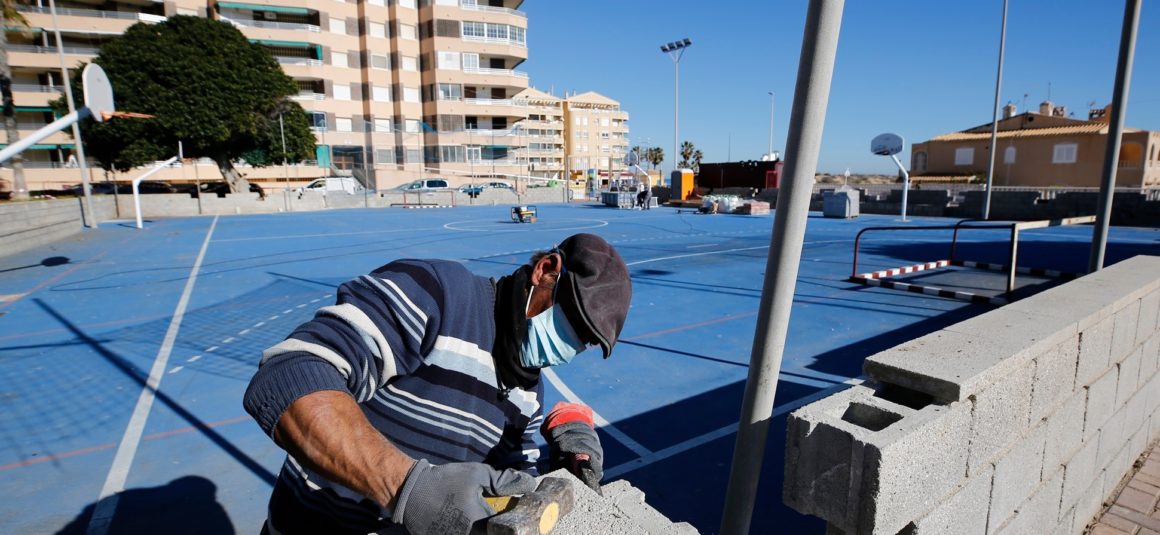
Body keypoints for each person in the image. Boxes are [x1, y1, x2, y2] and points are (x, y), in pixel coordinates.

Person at [243, 233, 632, 535]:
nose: (570, 346)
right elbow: (289, 373)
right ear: (546, 270)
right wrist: (404, 486)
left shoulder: (528, 394)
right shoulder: (438, 296)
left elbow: (506, 494)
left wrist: (567, 460)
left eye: (583, 341)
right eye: (572, 323)